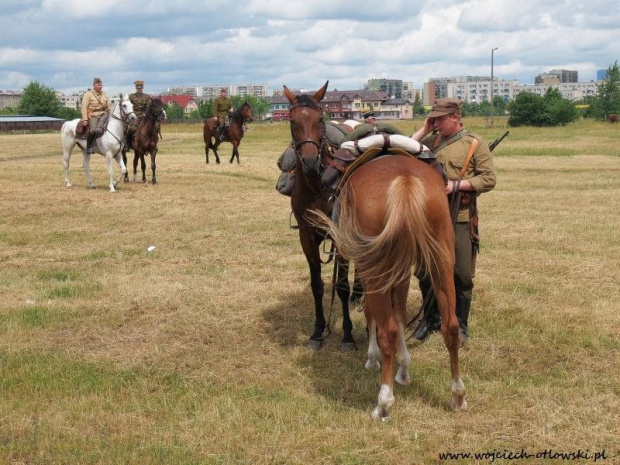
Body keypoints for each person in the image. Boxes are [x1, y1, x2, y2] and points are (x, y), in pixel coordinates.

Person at [410, 98, 496, 347]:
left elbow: (488, 179)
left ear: (456, 117)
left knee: (461, 274)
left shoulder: (474, 144)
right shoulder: (430, 141)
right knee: (425, 271)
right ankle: (431, 318)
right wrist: (425, 129)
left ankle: (460, 323)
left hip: (459, 216)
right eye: (432, 118)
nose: (435, 122)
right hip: (429, 218)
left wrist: (455, 185)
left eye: (439, 118)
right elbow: (407, 148)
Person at [81, 77, 111, 155]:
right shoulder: (88, 94)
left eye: (101, 85)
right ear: (94, 85)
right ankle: (89, 146)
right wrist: (84, 119)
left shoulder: (105, 95)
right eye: (98, 85)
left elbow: (109, 107)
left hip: (104, 115)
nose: (100, 87)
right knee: (93, 130)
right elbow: (84, 107)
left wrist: (111, 114)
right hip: (94, 115)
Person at [127, 79, 152, 150]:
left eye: (140, 86)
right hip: (134, 117)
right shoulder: (131, 96)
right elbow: (129, 107)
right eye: (138, 86)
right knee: (130, 129)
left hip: (143, 116)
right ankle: (128, 144)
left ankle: (152, 144)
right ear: (136, 87)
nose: (139, 88)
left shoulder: (146, 97)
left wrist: (145, 114)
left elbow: (148, 107)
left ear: (143, 87)